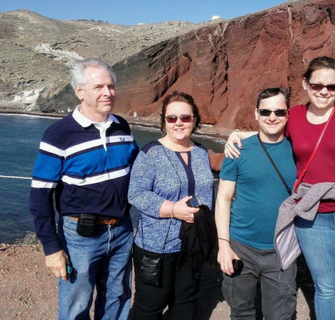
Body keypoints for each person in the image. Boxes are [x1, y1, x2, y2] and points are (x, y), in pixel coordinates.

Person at [225, 56, 335, 320]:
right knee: (326, 290)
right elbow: (272, 131)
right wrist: (237, 134)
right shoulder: (294, 115)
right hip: (314, 218)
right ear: (305, 84)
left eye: (332, 87)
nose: (324, 92)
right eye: (317, 85)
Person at [29, 58, 139, 320]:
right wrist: (52, 249)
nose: (107, 93)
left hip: (122, 230)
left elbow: (140, 170)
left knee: (118, 297)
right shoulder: (58, 134)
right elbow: (39, 196)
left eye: (110, 86)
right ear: (79, 91)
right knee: (76, 304)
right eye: (98, 86)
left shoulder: (122, 126)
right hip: (80, 236)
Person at [128, 91, 215, 320]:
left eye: (185, 118)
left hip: (192, 244)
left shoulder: (201, 152)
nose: (179, 123)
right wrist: (173, 209)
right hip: (157, 246)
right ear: (164, 121)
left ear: (194, 120)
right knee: (149, 308)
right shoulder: (150, 154)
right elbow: (136, 194)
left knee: (185, 305)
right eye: (172, 118)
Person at [216, 87, 298, 320]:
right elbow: (223, 199)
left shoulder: (299, 150)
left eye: (279, 112)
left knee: (280, 315)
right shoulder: (237, 151)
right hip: (241, 247)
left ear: (288, 114)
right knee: (241, 312)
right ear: (256, 114)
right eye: (266, 111)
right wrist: (224, 245)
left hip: (282, 250)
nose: (272, 117)